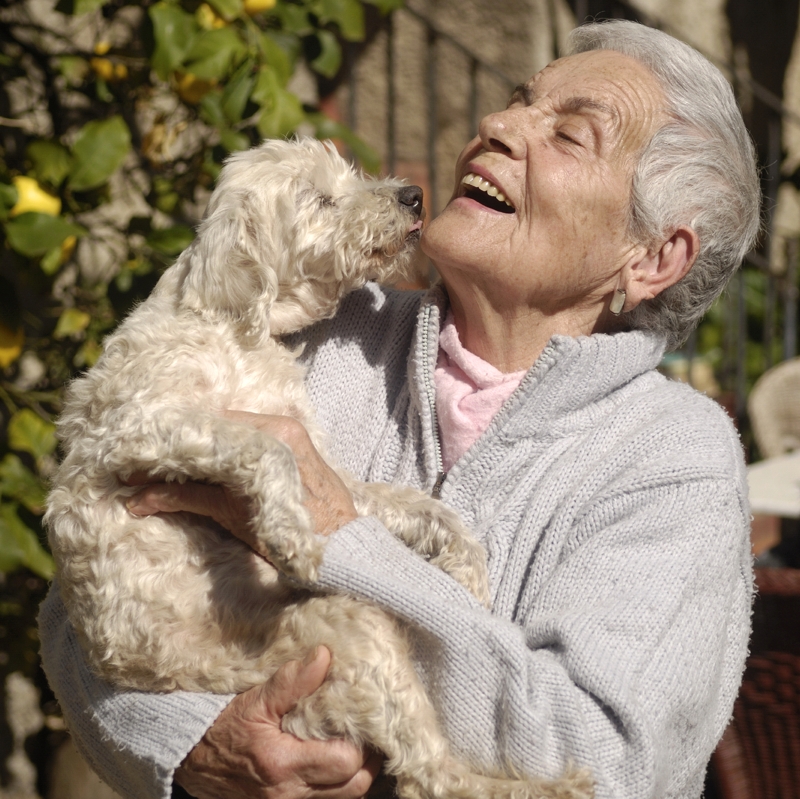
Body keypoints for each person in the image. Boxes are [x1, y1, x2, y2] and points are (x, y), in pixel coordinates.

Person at [38, 18, 761, 799]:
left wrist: (341, 535)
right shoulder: (314, 330)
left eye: (569, 134)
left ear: (652, 258)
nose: (499, 125)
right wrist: (189, 748)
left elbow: (601, 762)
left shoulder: (674, 459)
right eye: (519, 101)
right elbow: (80, 607)